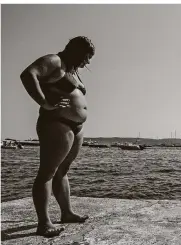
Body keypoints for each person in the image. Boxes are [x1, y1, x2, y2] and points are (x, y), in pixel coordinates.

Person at [20, 36, 95, 237]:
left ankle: (67, 213)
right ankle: (44, 223)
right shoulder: (55, 60)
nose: (86, 62)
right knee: (47, 173)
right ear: (77, 51)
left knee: (62, 170)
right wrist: (44, 102)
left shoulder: (72, 70)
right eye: (86, 57)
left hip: (74, 127)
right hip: (56, 123)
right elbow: (28, 75)